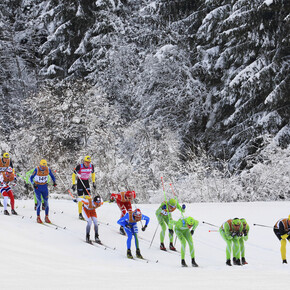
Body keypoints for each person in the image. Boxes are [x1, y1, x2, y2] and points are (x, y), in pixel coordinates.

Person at [30, 159, 56, 223]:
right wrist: (33, 184)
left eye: (45, 166)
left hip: (44, 187)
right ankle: (38, 217)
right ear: (40, 165)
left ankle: (46, 217)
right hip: (38, 187)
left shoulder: (48, 169)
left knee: (46, 203)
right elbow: (30, 178)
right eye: (42, 166)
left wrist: (54, 181)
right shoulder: (36, 169)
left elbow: (52, 176)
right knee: (39, 203)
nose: (44, 167)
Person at [72, 156, 96, 220]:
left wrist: (94, 182)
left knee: (88, 198)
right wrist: (74, 183)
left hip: (86, 182)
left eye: (89, 162)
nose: (88, 164)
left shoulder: (91, 166)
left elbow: (93, 174)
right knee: (81, 199)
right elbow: (73, 175)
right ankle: (80, 214)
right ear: (84, 162)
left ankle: (89, 212)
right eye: (87, 162)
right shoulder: (79, 166)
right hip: (80, 182)